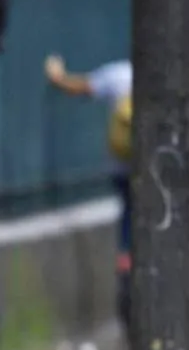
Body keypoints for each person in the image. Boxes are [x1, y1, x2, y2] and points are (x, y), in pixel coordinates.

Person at [43, 54, 133, 265]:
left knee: (129, 211)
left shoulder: (120, 74)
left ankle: (126, 259)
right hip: (154, 166)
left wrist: (57, 76)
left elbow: (80, 87)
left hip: (123, 165)